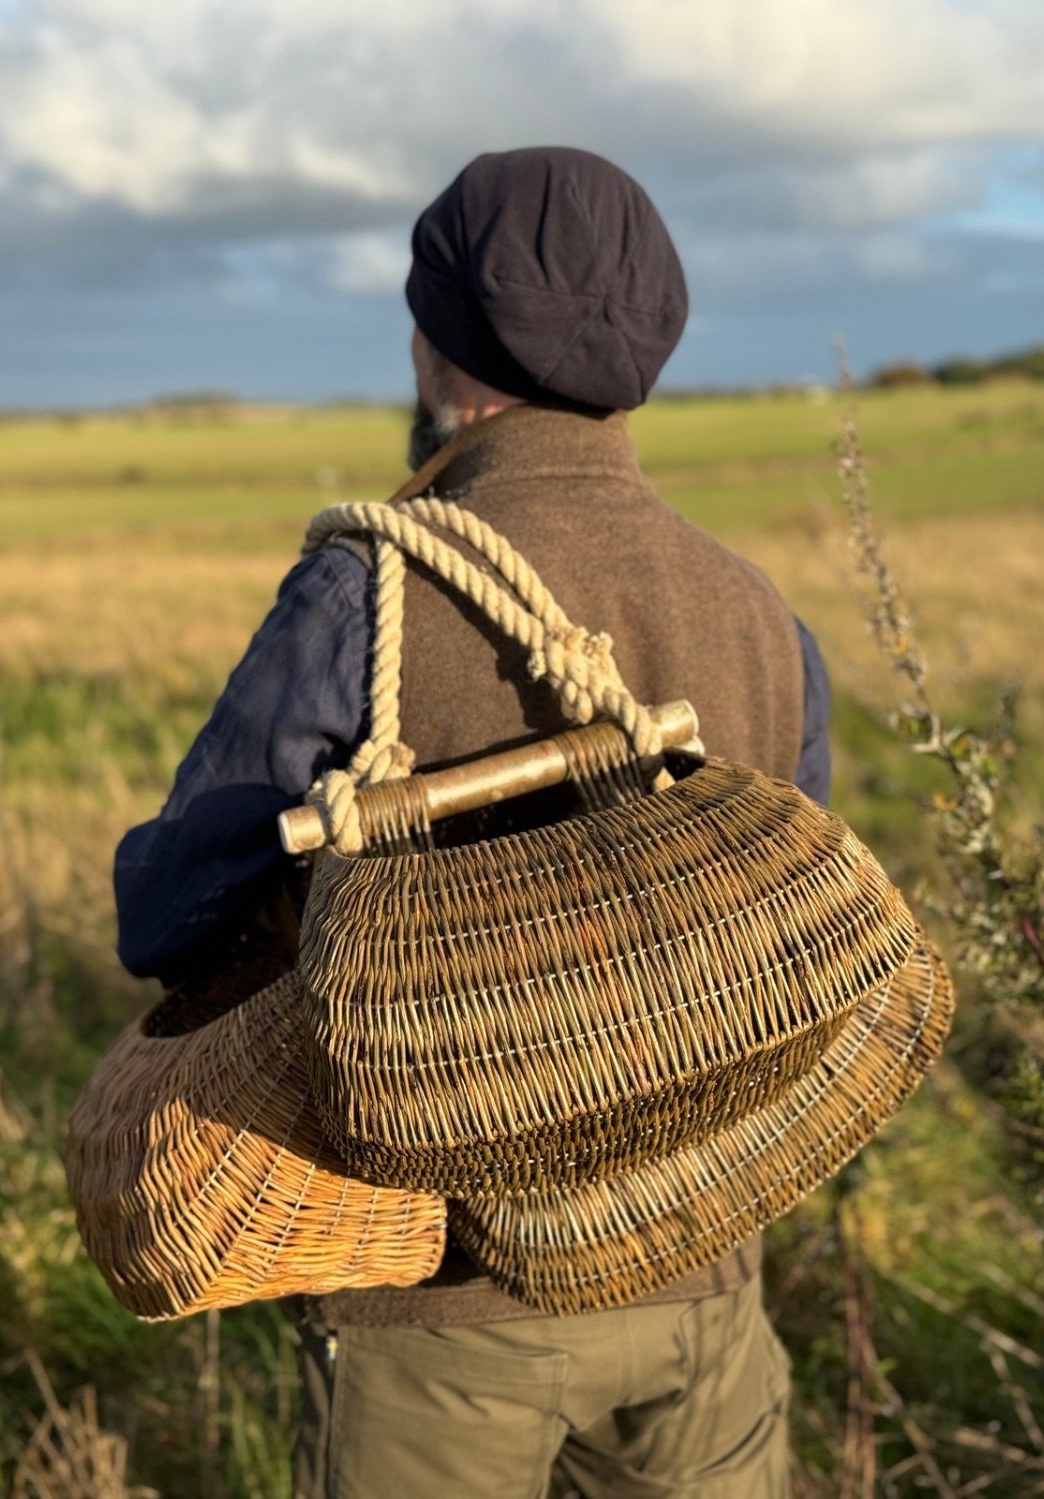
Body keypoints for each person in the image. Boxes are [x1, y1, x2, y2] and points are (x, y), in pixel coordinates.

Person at [115, 147, 830, 1499]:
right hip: (705, 1286)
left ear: (432, 339)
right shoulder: (761, 613)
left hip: (441, 1314)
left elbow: (163, 919)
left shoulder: (367, 593)